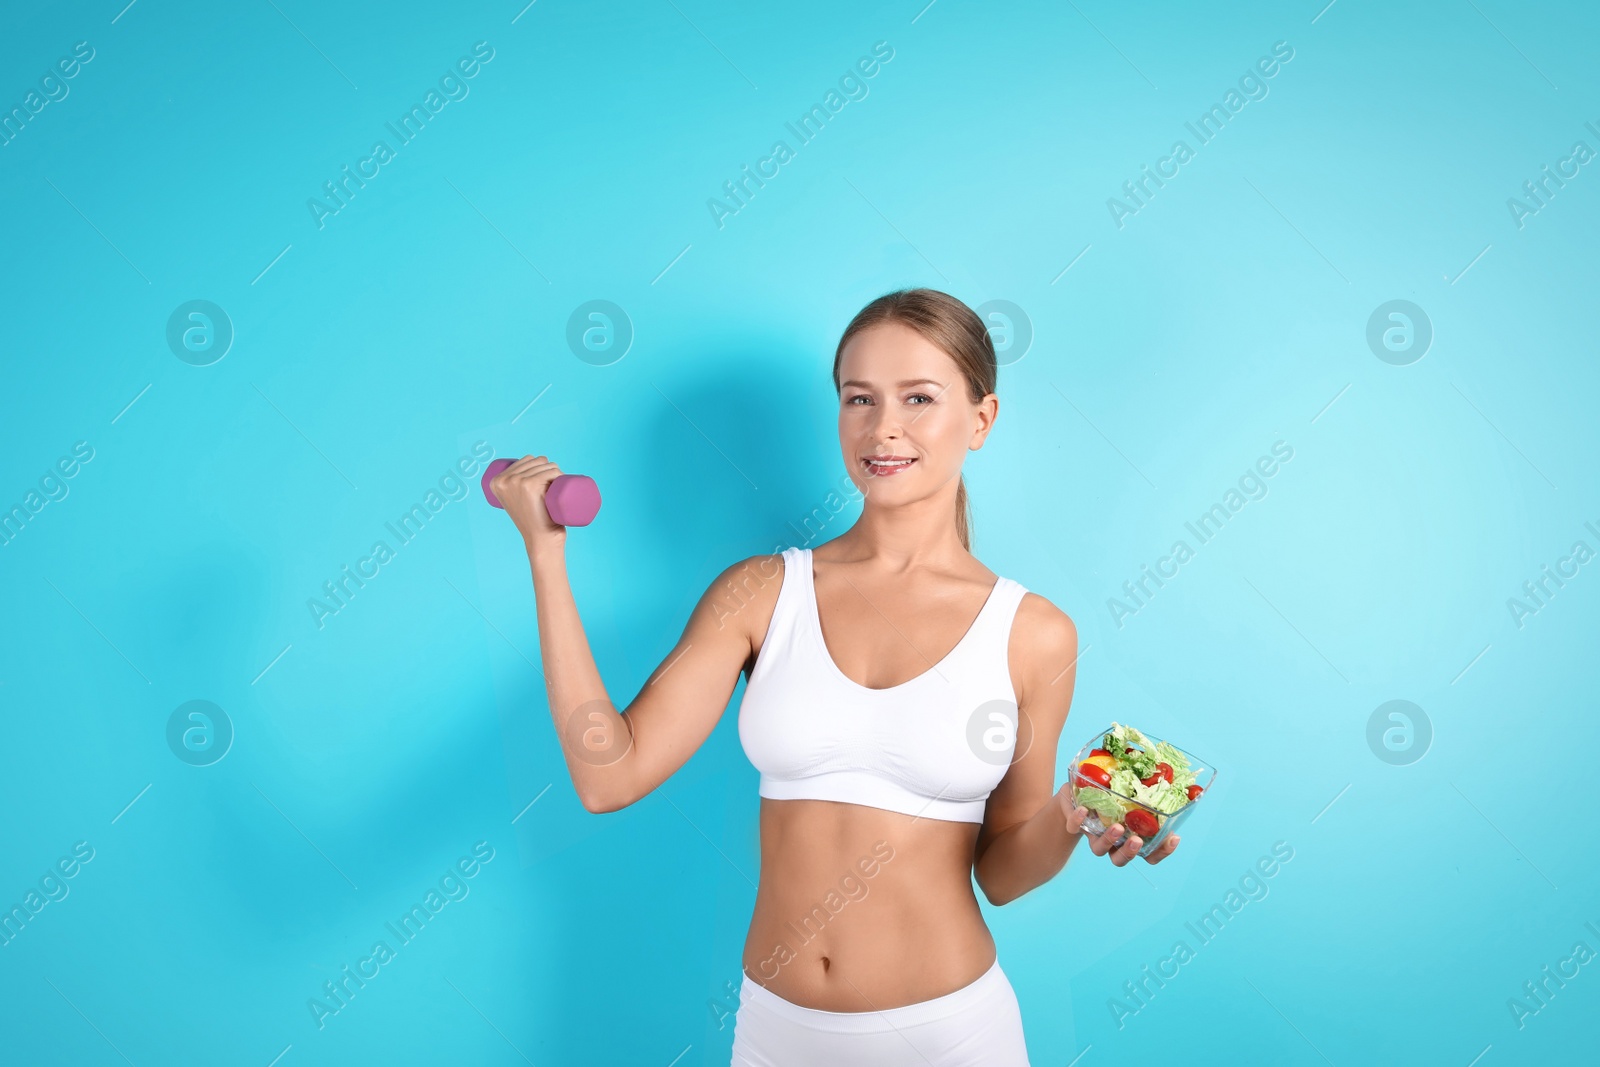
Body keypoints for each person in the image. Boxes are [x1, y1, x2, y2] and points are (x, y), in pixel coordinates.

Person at [488, 287, 1179, 1066]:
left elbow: (1002, 874)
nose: (884, 426)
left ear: (981, 419)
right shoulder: (759, 592)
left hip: (950, 1036)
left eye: (919, 397)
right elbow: (606, 775)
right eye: (860, 398)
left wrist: (1069, 814)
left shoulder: (1034, 634)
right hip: (778, 1033)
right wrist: (546, 557)